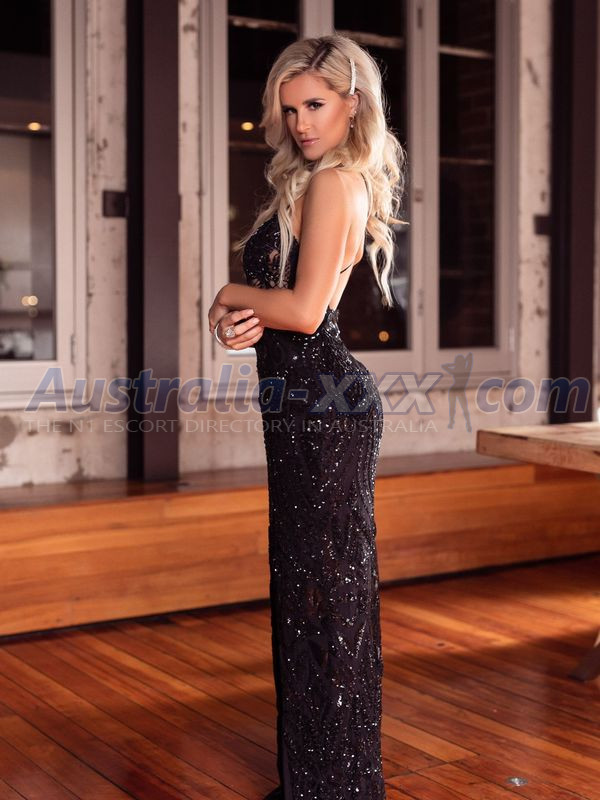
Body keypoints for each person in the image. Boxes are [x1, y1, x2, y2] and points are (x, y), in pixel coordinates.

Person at [208, 33, 406, 800]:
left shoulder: (336, 183)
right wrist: (232, 326)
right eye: (290, 110)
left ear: (353, 104)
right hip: (297, 407)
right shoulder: (306, 183)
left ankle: (337, 783)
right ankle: (315, 778)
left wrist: (227, 295)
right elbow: (274, 317)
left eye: (316, 105)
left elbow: (302, 310)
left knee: (328, 599)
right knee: (306, 598)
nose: (301, 123)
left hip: (325, 408)